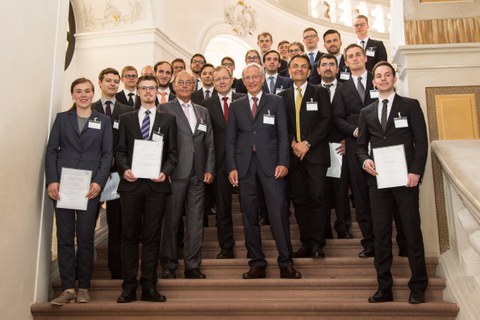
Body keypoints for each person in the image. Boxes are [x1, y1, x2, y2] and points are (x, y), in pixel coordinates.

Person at [356, 61, 428, 304]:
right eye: (379, 76)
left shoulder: (410, 105)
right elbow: (360, 147)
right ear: (373, 81)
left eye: (388, 75)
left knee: (411, 233)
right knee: (381, 235)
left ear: (394, 79)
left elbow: (421, 143)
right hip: (378, 183)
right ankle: (384, 288)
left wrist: (416, 172)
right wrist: (365, 161)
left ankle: (418, 287)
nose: (383, 79)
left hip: (406, 181)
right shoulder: (366, 112)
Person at [226, 62, 301, 279]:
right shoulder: (236, 105)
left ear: (261, 78)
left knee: (278, 213)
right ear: (243, 80)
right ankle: (256, 263)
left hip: (272, 167)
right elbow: (231, 140)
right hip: (245, 168)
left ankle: (286, 263)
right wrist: (231, 166)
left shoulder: (276, 101)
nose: (251, 81)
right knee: (249, 216)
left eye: (254, 77)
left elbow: (283, 134)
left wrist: (284, 162)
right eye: (246, 77)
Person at [45, 77, 113, 305]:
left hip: (89, 188)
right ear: (72, 95)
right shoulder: (62, 119)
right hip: (63, 187)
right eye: (78, 91)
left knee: (85, 238)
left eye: (87, 91)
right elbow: (52, 151)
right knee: (64, 238)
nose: (83, 95)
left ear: (93, 93)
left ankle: (83, 287)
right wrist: (52, 181)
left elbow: (107, 154)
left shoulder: (103, 120)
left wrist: (99, 182)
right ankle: (67, 288)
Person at [115, 75, 177, 303]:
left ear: (156, 92)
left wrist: (166, 172)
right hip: (131, 186)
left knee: (152, 237)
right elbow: (120, 150)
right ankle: (128, 287)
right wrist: (124, 169)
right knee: (129, 236)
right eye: (144, 88)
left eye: (152, 88)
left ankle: (149, 286)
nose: (149, 92)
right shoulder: (126, 119)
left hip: (156, 187)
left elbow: (173, 153)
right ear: (138, 91)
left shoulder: (168, 120)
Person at [159, 70, 215, 279]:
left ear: (194, 86)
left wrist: (209, 168)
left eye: (188, 83)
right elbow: (159, 142)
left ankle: (192, 265)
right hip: (174, 174)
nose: (184, 85)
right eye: (180, 82)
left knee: (196, 222)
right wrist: (164, 171)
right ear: (174, 86)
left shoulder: (203, 111)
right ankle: (169, 265)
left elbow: (209, 142)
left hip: (198, 175)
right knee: (171, 221)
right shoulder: (164, 108)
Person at [278, 54, 331, 258]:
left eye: (303, 66)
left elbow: (326, 121)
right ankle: (306, 243)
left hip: (315, 154)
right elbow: (281, 125)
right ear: (289, 71)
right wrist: (293, 143)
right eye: (294, 66)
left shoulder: (320, 92)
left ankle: (318, 244)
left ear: (309, 71)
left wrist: (307, 143)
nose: (299, 69)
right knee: (299, 200)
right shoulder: (282, 96)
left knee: (317, 197)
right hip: (293, 156)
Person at [333, 44, 376, 257]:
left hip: (381, 145)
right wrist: (355, 130)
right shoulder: (342, 89)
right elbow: (338, 118)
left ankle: (391, 239)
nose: (355, 58)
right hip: (354, 146)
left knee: (382, 195)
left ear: (365, 58)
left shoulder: (379, 80)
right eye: (350, 56)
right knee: (360, 195)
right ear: (346, 63)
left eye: (358, 54)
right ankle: (370, 243)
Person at [92, 68, 133, 279]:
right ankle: (85, 269)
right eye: (108, 80)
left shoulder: (127, 110)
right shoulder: (89, 108)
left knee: (117, 225)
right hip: (94, 176)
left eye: (115, 81)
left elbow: (129, 141)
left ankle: (116, 269)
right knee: (88, 223)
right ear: (100, 83)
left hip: (118, 175)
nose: (112, 84)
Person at [201, 66, 245, 259]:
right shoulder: (205, 105)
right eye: (216, 78)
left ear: (231, 79)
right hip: (218, 164)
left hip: (245, 161)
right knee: (222, 209)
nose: (220, 81)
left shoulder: (243, 99)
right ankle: (226, 247)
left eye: (224, 78)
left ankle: (252, 245)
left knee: (249, 206)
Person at [317, 54, 352, 239]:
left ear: (338, 69)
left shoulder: (347, 90)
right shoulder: (313, 91)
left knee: (340, 191)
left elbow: (353, 117)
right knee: (321, 191)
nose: (328, 67)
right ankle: (324, 229)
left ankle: (343, 227)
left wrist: (349, 141)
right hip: (318, 148)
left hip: (341, 146)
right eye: (324, 65)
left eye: (332, 64)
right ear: (318, 69)